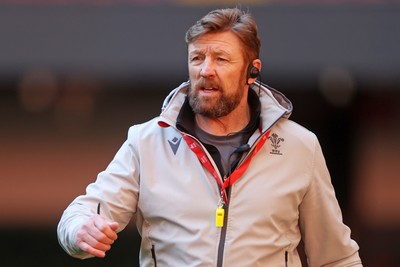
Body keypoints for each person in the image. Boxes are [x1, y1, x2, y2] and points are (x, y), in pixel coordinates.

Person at [57, 7, 362, 267]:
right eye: (197, 58)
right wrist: (79, 231)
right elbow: (82, 212)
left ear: (252, 71)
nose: (205, 70)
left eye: (221, 59)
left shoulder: (300, 146)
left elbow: (336, 258)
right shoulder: (146, 141)